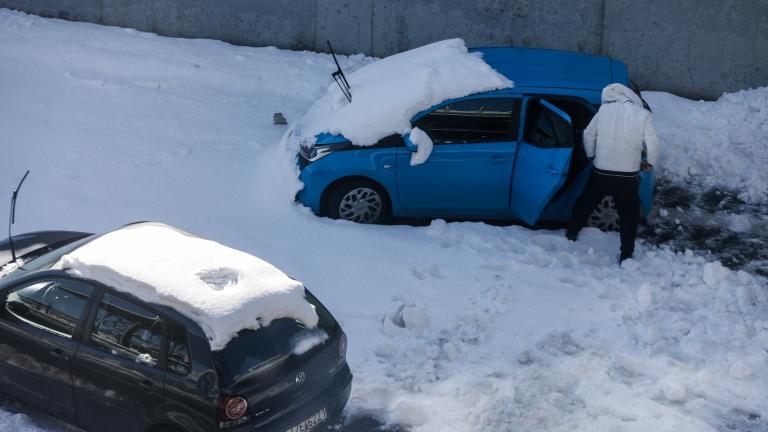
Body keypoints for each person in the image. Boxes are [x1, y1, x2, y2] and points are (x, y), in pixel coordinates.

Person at [566, 83, 660, 263]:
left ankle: (571, 233)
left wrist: (591, 154)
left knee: (585, 203)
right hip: (627, 177)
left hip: (600, 172)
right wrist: (649, 163)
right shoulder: (643, 115)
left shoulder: (603, 112)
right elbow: (653, 144)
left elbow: (588, 134)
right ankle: (626, 254)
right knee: (628, 216)